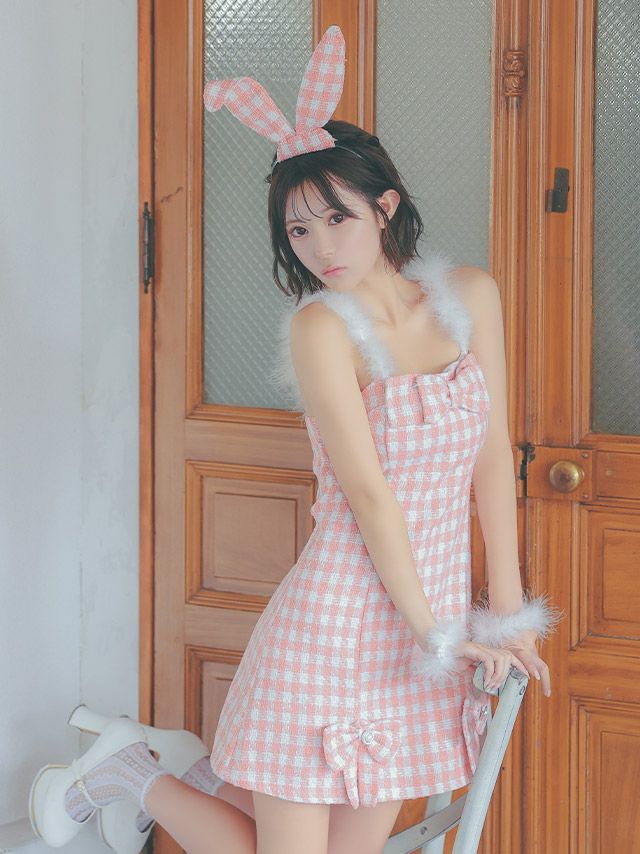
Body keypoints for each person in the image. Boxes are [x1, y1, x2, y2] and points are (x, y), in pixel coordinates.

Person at [29, 26, 563, 854]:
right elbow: (370, 497)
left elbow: (493, 457)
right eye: (299, 230)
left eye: (336, 219)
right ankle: (132, 774)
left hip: (418, 636)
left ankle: (148, 768)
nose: (320, 247)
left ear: (386, 207)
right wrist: (437, 631)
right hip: (340, 623)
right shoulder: (322, 330)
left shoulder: (470, 294)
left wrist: (505, 611)